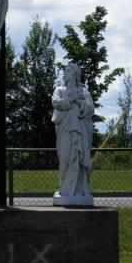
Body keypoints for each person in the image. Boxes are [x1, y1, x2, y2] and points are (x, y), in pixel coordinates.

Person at [52, 63, 94, 206]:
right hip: (65, 129)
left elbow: (90, 109)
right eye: (65, 70)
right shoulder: (60, 89)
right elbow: (55, 102)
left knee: (79, 157)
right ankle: (64, 189)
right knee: (64, 158)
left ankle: (80, 190)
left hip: (80, 130)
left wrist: (81, 102)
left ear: (76, 75)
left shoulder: (84, 92)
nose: (65, 72)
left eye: (69, 71)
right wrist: (71, 98)